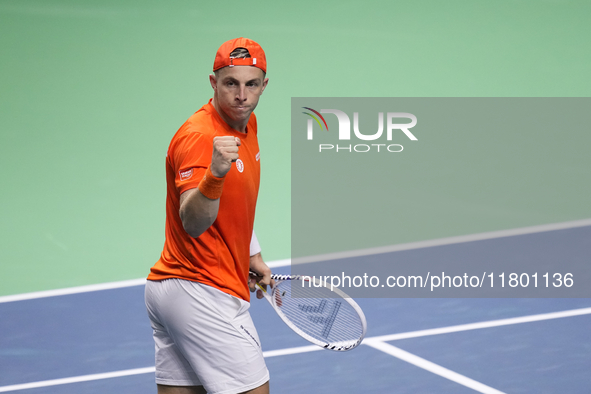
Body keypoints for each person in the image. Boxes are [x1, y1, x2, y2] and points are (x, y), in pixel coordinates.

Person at [145, 37, 272, 394]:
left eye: (251, 84)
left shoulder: (248, 124)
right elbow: (193, 221)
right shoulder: (201, 137)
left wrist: (251, 253)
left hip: (173, 288)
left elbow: (236, 202)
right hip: (201, 288)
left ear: (264, 85)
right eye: (231, 83)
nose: (242, 95)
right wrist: (215, 173)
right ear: (214, 83)